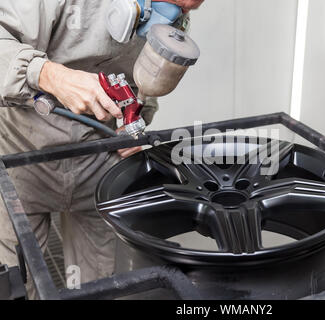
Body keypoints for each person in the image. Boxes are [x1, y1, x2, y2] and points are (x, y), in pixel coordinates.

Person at [0, 0, 204, 299]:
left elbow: (143, 85)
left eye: (189, 9)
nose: (174, 16)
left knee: (99, 285)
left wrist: (137, 115)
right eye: (169, 3)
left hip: (100, 161)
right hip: (24, 156)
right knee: (19, 280)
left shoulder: (172, 14)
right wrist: (49, 75)